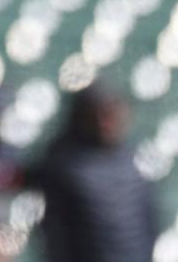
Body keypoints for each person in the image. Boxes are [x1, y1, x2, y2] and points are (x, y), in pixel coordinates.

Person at [29, 81, 158, 262]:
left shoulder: (136, 164)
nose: (105, 123)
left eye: (110, 115)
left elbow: (149, 225)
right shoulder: (62, 166)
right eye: (98, 115)